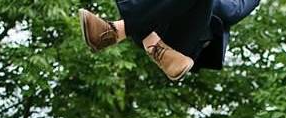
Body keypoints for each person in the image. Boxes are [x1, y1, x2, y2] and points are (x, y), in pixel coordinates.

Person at [79, 0, 260, 80]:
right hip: (157, 17)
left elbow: (230, 11)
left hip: (186, 37)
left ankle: (117, 30)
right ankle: (153, 45)